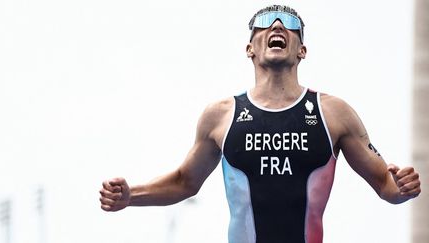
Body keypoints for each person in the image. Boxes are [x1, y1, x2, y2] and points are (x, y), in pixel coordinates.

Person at [99, 5, 421, 243]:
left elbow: (386, 185)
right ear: (250, 48)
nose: (278, 25)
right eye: (264, 23)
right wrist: (131, 196)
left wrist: (401, 189)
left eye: (291, 24)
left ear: (302, 50)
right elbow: (185, 182)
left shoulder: (333, 113)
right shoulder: (221, 115)